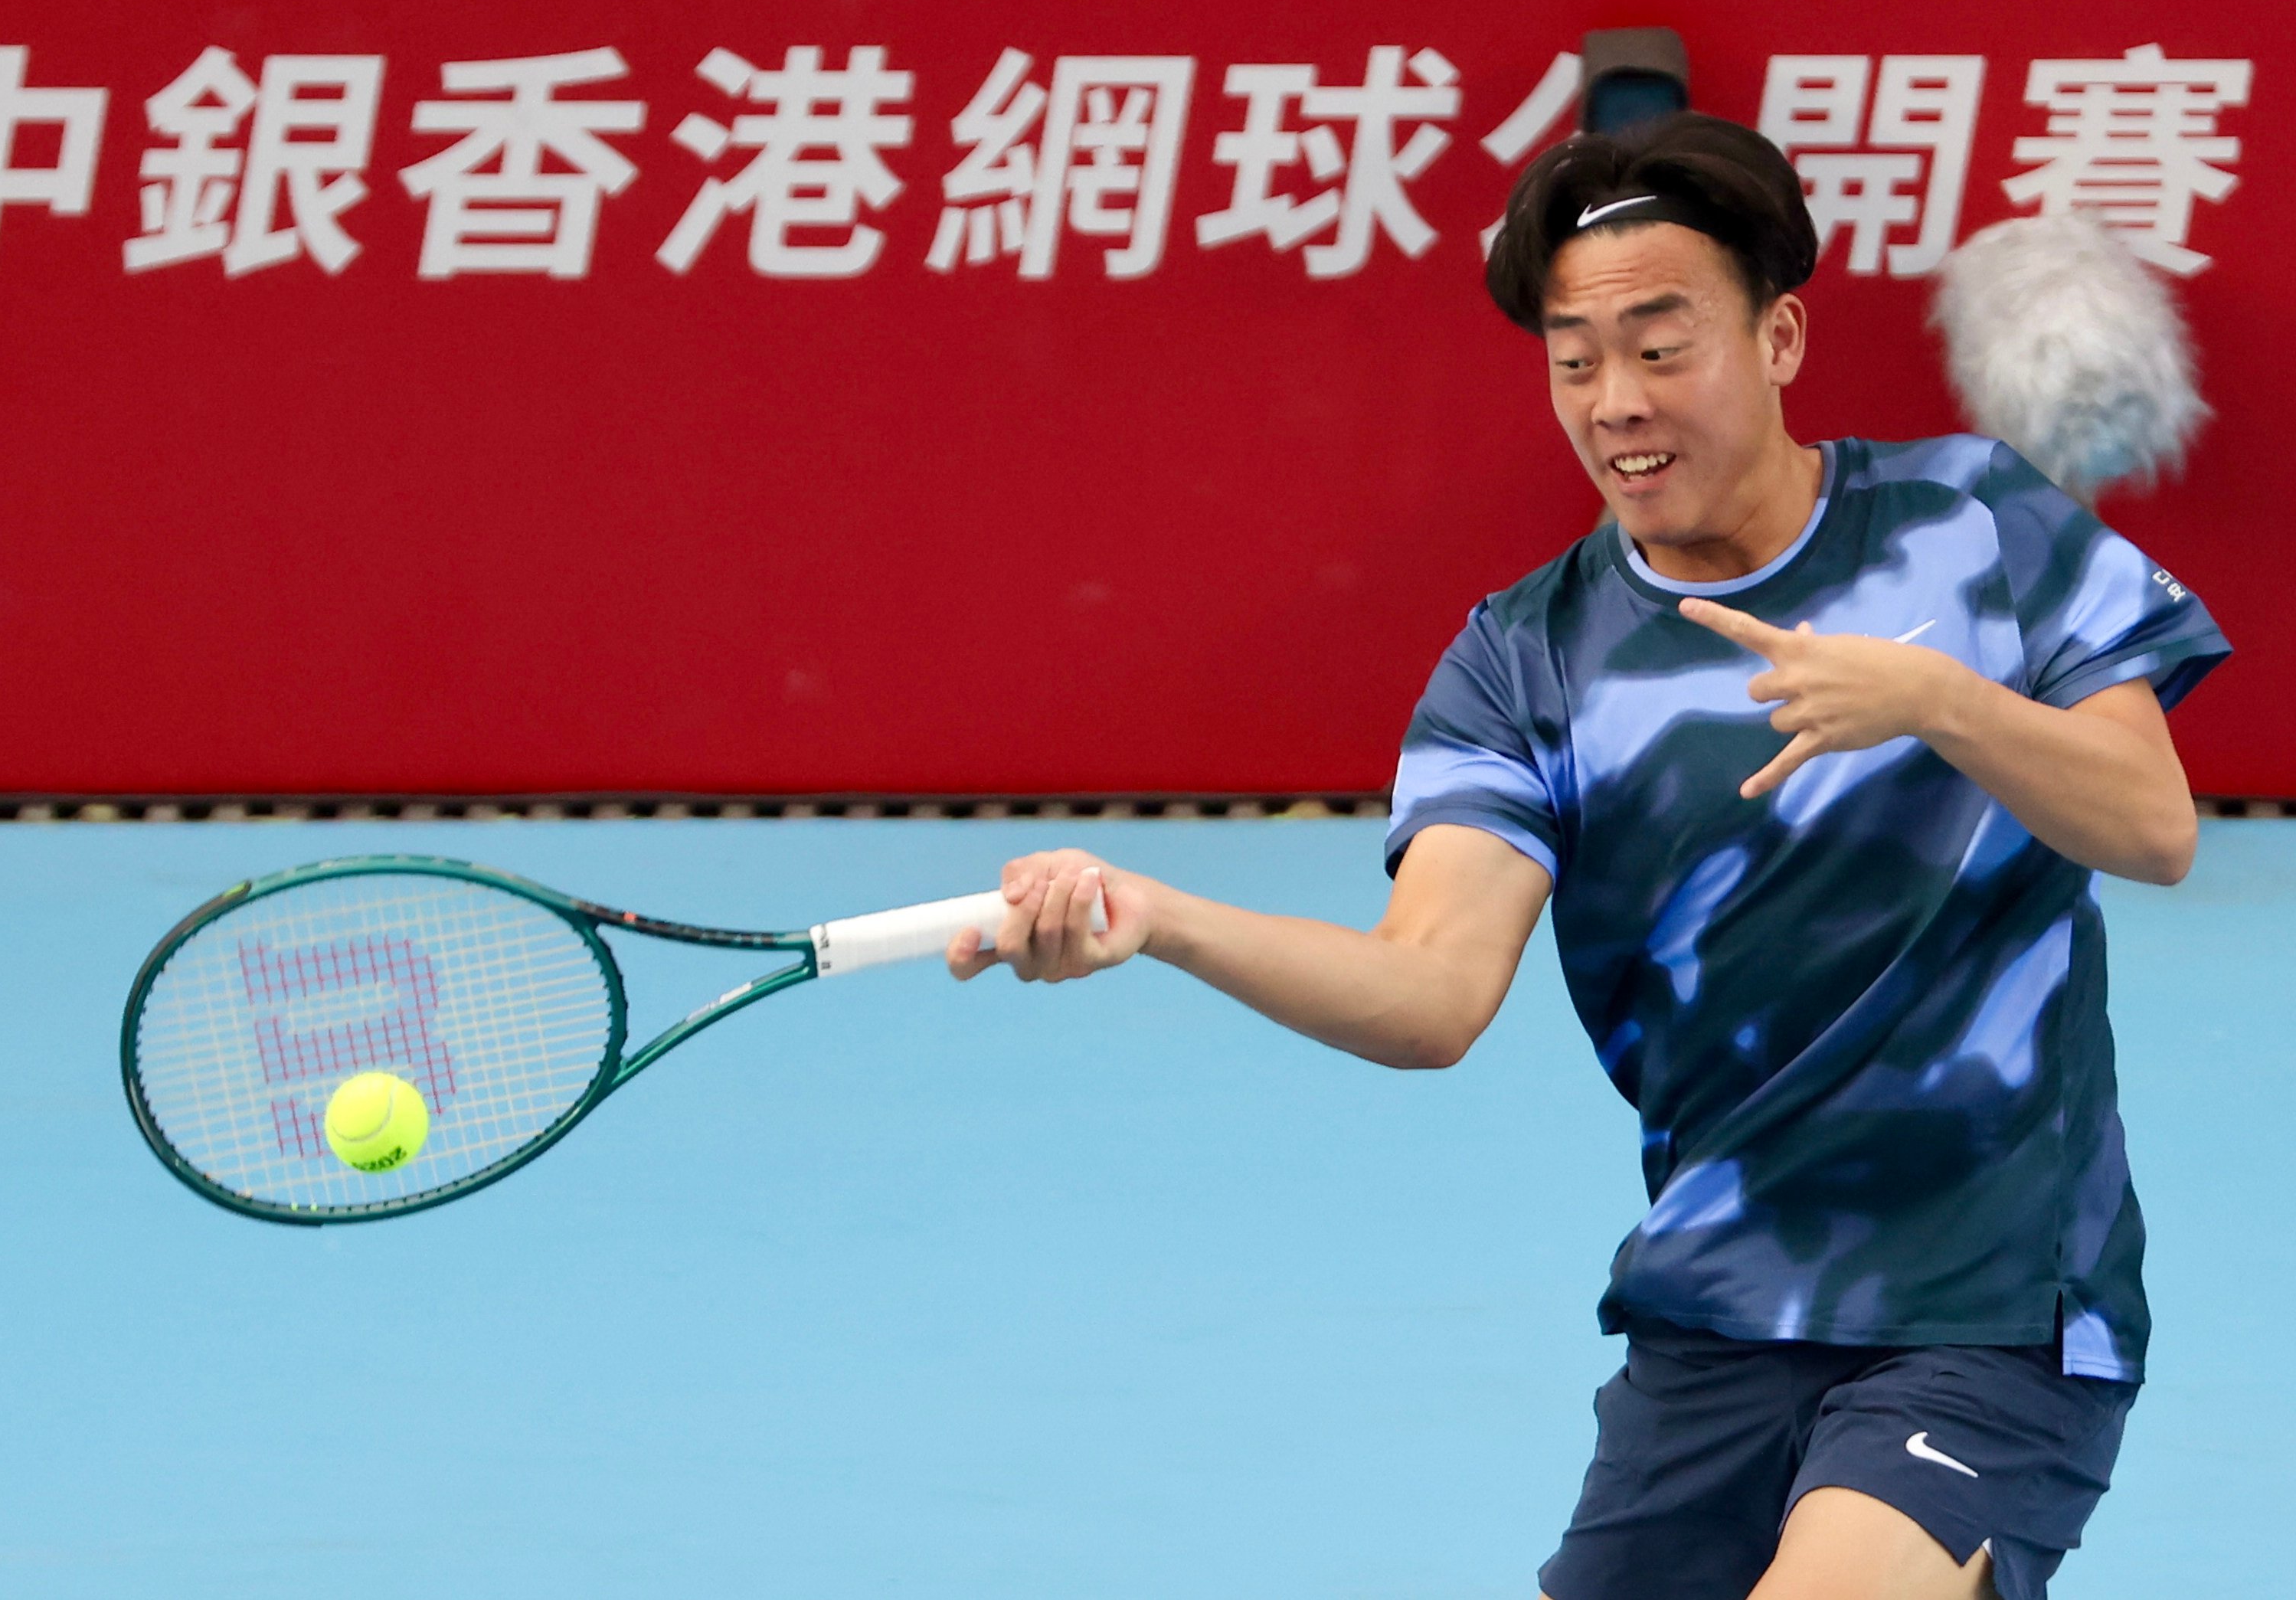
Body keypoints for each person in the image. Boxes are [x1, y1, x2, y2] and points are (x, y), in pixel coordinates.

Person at [946, 113, 2229, 1600]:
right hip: (1717, 1311)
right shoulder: (1523, 660)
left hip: (1992, 1299)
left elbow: (2152, 826)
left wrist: (1931, 699)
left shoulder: (1976, 521)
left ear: (1779, 336)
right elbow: (1428, 995)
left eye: (1658, 345)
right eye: (1573, 360)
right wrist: (1161, 918)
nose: (1614, 401)